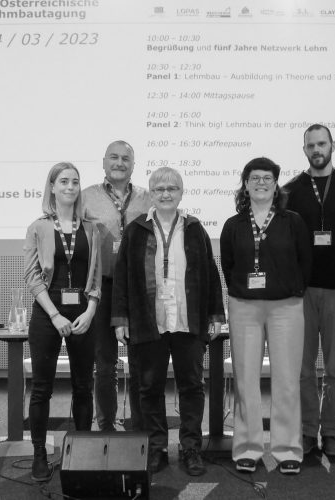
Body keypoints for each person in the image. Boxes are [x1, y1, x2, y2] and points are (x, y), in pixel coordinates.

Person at [111, 167, 225, 476]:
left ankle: (190, 447)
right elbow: (121, 277)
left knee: (192, 386)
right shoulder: (136, 230)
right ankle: (156, 447)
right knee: (149, 387)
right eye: (159, 189)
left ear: (181, 193)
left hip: (188, 322)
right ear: (151, 193)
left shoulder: (195, 228)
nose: (165, 194)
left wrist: (216, 314)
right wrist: (120, 319)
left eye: (172, 188)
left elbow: (210, 274)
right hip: (149, 322)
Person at [220, 157, 312, 475]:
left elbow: (305, 261)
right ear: (245, 185)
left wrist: (291, 289)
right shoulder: (233, 225)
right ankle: (248, 448)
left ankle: (287, 449)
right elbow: (229, 265)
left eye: (267, 178)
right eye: (255, 178)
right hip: (244, 307)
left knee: (286, 380)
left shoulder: (293, 221)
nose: (261, 183)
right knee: (246, 379)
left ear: (276, 184)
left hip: (286, 307)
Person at [284, 124, 335, 456]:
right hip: (301, 293)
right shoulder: (290, 191)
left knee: (334, 368)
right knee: (303, 369)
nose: (317, 149)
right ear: (304, 149)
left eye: (322, 143)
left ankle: (330, 433)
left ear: (333, 145)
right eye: (311, 145)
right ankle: (307, 432)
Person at [23, 162, 103, 482]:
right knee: (42, 388)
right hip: (48, 312)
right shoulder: (38, 227)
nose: (70, 187)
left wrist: (91, 310)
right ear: (52, 187)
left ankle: (81, 453)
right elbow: (32, 276)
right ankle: (39, 455)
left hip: (83, 312)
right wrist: (55, 315)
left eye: (75, 182)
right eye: (64, 181)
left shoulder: (92, 229)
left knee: (84, 387)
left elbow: (96, 275)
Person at [82, 140, 152, 432]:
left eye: (126, 158)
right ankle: (106, 427)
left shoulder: (149, 198)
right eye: (114, 157)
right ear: (103, 162)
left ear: (134, 165)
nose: (119, 163)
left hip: (137, 290)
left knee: (139, 363)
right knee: (105, 363)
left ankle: (140, 430)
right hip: (102, 288)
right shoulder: (85, 198)